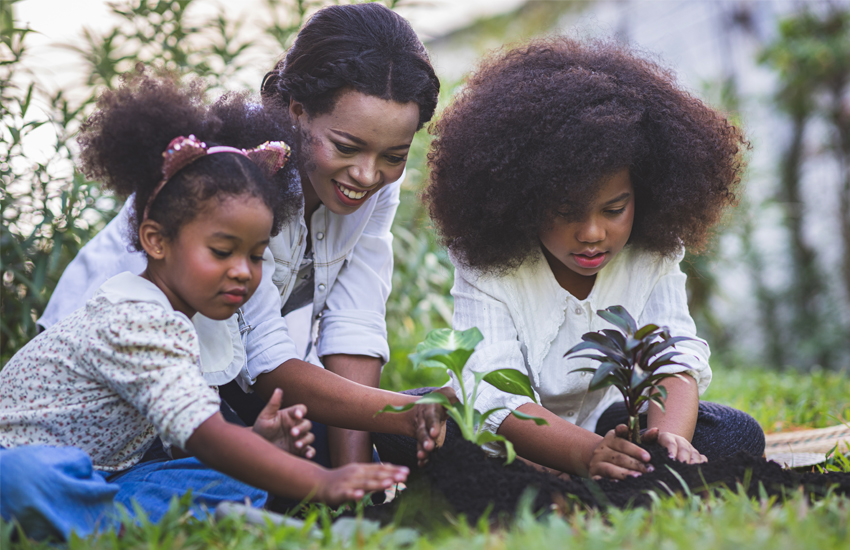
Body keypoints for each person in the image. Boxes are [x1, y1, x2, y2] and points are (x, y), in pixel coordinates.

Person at [0, 74, 446, 542]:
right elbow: (204, 433)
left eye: (256, 256)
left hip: (111, 473)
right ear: (155, 240)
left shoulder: (187, 317)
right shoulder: (134, 320)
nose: (243, 272)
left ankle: (145, 521)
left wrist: (257, 443)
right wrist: (325, 483)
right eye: (221, 251)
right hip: (33, 464)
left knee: (227, 472)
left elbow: (196, 432)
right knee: (27, 478)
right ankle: (159, 521)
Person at [36, 2, 441, 468]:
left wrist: (357, 470)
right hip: (123, 391)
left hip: (224, 371)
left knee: (365, 437)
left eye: (394, 154)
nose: (368, 174)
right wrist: (399, 416)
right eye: (346, 147)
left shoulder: (369, 182)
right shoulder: (233, 175)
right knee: (259, 461)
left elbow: (356, 319)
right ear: (298, 111)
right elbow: (267, 365)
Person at [377, 37, 765, 480]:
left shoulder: (650, 249)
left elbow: (672, 355)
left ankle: (608, 471)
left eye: (614, 210)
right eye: (566, 213)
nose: (593, 233)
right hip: (514, 435)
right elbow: (492, 390)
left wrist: (668, 442)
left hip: (611, 423)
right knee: (408, 425)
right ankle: (575, 471)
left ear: (646, 193)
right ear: (523, 200)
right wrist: (587, 453)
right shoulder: (488, 261)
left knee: (737, 433)